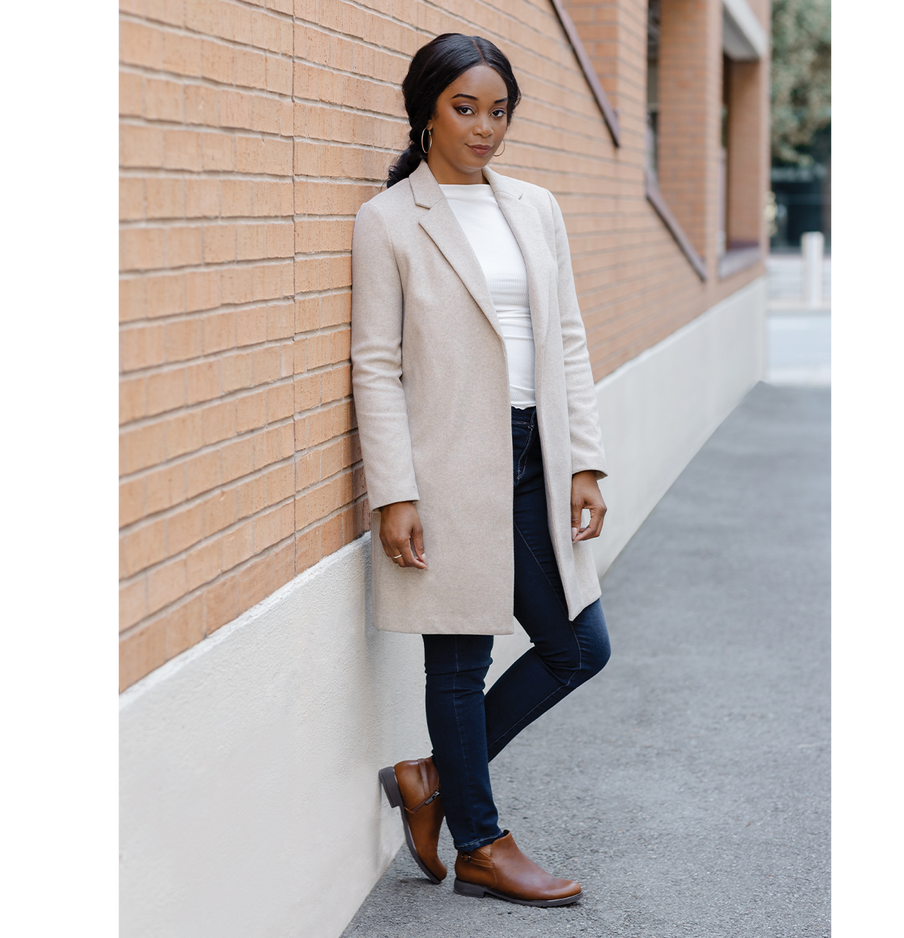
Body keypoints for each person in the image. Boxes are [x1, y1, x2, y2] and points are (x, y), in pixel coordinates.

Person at [350, 33, 611, 908]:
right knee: (458, 660)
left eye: (499, 111)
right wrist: (396, 492)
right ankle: (481, 844)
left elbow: (565, 337)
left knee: (580, 645)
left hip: (537, 453)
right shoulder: (390, 219)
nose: (485, 128)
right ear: (426, 109)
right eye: (466, 108)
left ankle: (431, 777)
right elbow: (375, 364)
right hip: (450, 463)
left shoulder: (534, 207)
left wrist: (585, 464)